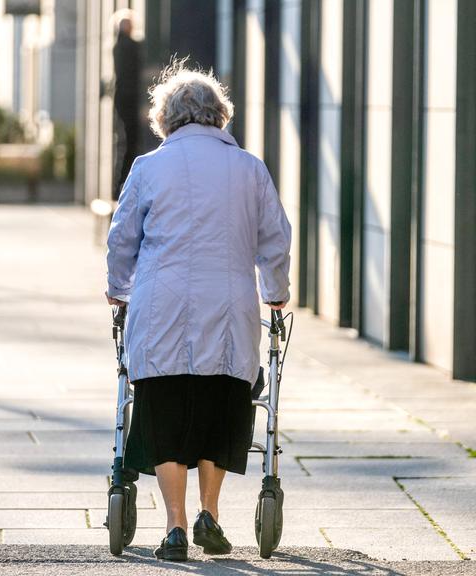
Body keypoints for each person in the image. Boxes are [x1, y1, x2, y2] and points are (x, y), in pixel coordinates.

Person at [105, 61, 291, 562]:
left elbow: (122, 238)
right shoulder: (250, 168)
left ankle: (175, 527)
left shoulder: (149, 168)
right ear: (220, 116)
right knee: (218, 404)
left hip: (162, 308)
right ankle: (210, 511)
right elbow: (274, 237)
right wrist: (276, 289)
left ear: (166, 118)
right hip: (229, 310)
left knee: (164, 409)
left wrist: (117, 287)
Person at [112, 12, 141, 201]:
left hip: (125, 102)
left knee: (126, 144)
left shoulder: (119, 46)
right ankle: (120, 185)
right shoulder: (126, 46)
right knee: (129, 144)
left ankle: (119, 185)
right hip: (129, 102)